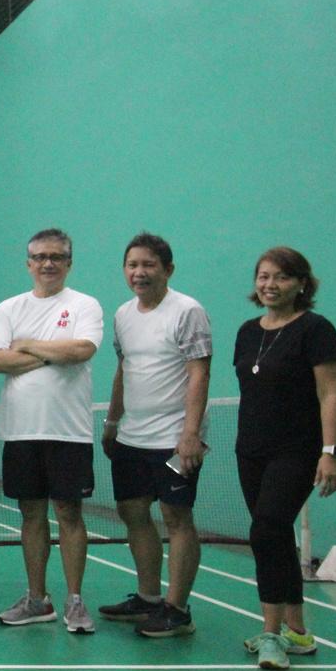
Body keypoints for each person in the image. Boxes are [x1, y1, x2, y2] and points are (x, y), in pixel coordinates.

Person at [0, 228, 104, 634]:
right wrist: (55, 352)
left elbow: (82, 350)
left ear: (68, 263)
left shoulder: (85, 305)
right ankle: (37, 599)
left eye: (56, 257)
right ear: (28, 264)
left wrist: (28, 345)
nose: (47, 263)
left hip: (69, 432)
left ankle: (75, 600)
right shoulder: (9, 308)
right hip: (20, 431)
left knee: (69, 514)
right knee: (31, 515)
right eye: (40, 257)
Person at [233, 247, 336, 671]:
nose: (270, 285)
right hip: (250, 451)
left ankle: (271, 633)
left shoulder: (317, 330)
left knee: (265, 530)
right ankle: (297, 632)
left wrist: (330, 453)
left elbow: (330, 395)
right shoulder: (248, 332)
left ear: (301, 283)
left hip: (296, 451)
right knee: (276, 535)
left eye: (281, 277)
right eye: (263, 276)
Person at [98, 233, 212, 638]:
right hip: (133, 436)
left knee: (176, 516)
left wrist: (190, 434)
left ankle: (177, 610)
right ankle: (148, 598)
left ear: (168, 269)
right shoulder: (123, 314)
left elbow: (199, 373)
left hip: (174, 437)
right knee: (132, 512)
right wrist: (112, 422)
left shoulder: (187, 311)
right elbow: (124, 369)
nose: (139, 272)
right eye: (132, 265)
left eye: (148, 265)